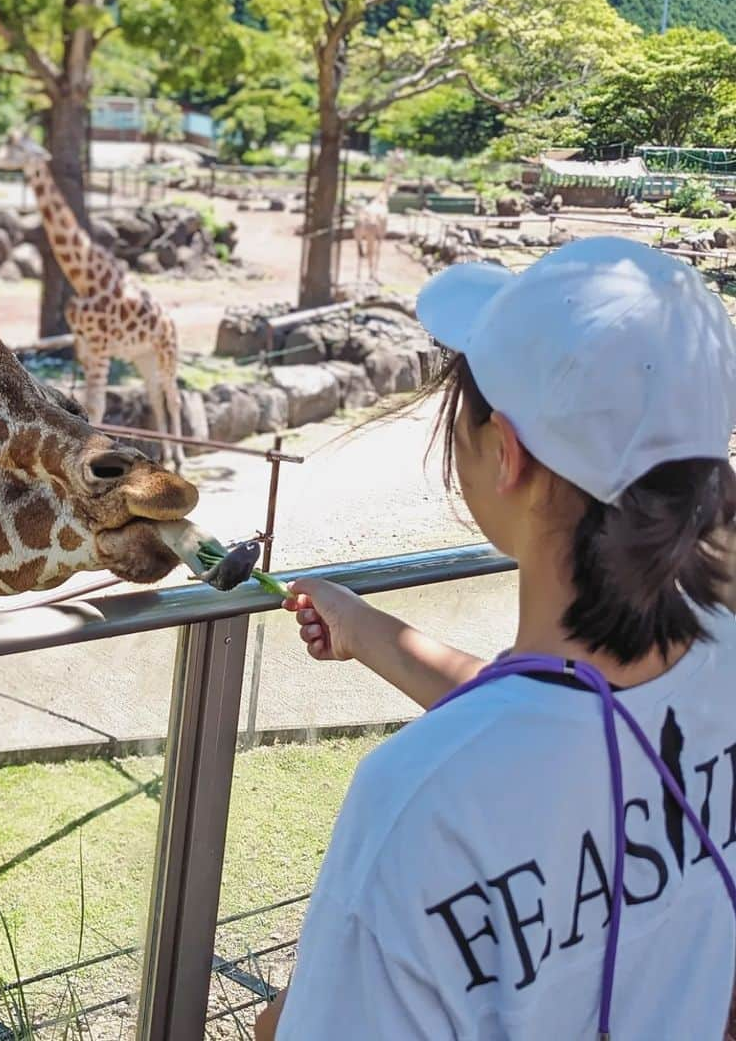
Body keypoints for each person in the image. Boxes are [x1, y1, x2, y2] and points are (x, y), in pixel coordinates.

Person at [256, 236, 736, 1039]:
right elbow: (576, 727)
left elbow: (526, 758)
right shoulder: (716, 655)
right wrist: (368, 630)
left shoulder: (419, 806)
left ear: (506, 453)